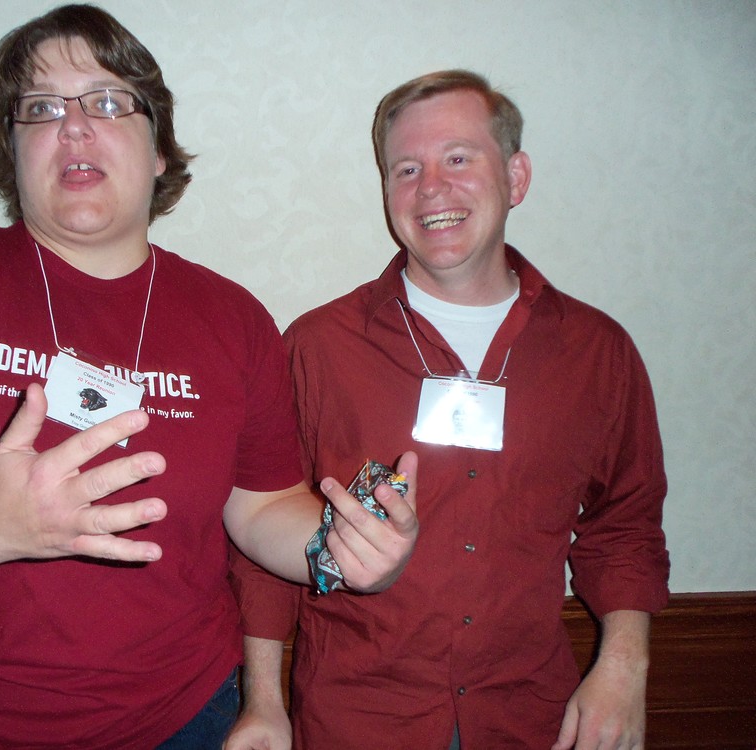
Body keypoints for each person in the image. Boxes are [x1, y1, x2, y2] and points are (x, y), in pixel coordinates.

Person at [0, 6, 420, 749]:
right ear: (12, 148)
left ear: (160, 148)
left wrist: (342, 549)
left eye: (108, 102)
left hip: (182, 718)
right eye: (41, 109)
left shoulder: (233, 319)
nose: (74, 128)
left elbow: (263, 505)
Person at [226, 70, 670, 750]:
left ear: (516, 178)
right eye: (406, 169)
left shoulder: (597, 352)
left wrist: (624, 667)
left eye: (458, 158)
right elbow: (265, 534)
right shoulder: (316, 348)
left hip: (530, 719)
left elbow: (626, 526)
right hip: (359, 720)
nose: (431, 187)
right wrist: (263, 702)